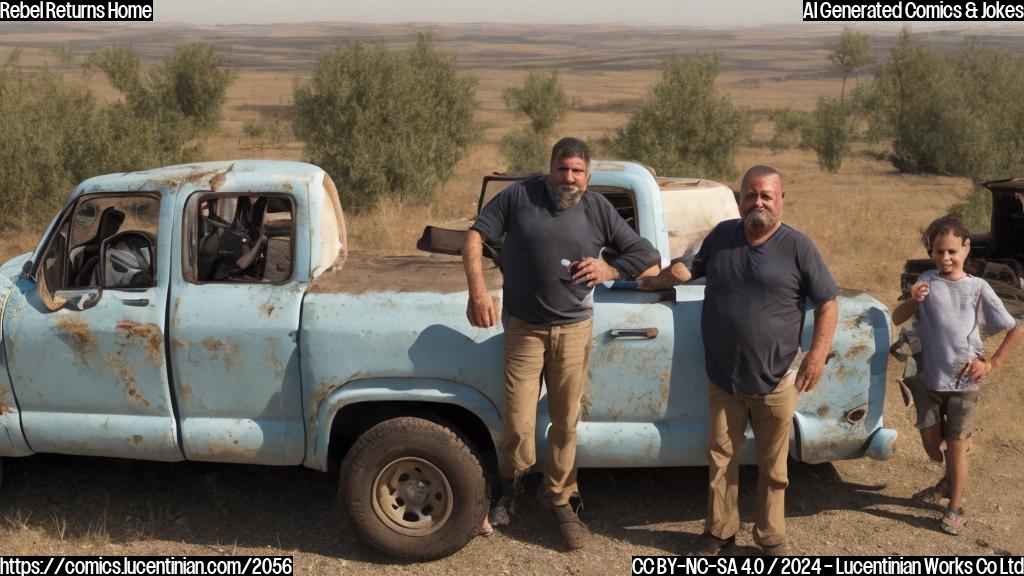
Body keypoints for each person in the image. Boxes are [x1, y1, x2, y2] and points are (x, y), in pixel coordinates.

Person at [462, 137, 660, 549]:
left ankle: (559, 498)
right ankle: (511, 487)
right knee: (517, 421)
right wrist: (478, 292)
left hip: (574, 330)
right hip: (524, 329)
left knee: (566, 422)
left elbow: (646, 254)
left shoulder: (598, 208)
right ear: (550, 167)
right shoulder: (520, 195)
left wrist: (609, 268)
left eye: (577, 171)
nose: (568, 178)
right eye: (562, 169)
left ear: (588, 175)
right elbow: (475, 237)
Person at [641, 165, 837, 556]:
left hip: (776, 378)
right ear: (740, 199)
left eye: (766, 195)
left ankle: (770, 538)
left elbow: (828, 302)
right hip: (724, 377)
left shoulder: (798, 247)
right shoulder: (722, 235)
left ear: (780, 200)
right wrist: (646, 281)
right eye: (751, 194)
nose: (758, 202)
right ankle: (719, 532)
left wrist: (816, 356)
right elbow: (686, 270)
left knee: (773, 468)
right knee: (720, 458)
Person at [891, 216, 1022, 536]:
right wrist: (913, 299)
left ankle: (954, 508)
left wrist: (990, 363)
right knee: (934, 449)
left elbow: (1016, 328)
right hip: (928, 381)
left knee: (954, 445)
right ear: (932, 253)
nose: (945, 258)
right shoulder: (925, 281)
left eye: (952, 251)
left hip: (964, 383)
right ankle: (951, 472)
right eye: (939, 252)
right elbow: (897, 317)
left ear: (965, 249)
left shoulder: (978, 288)